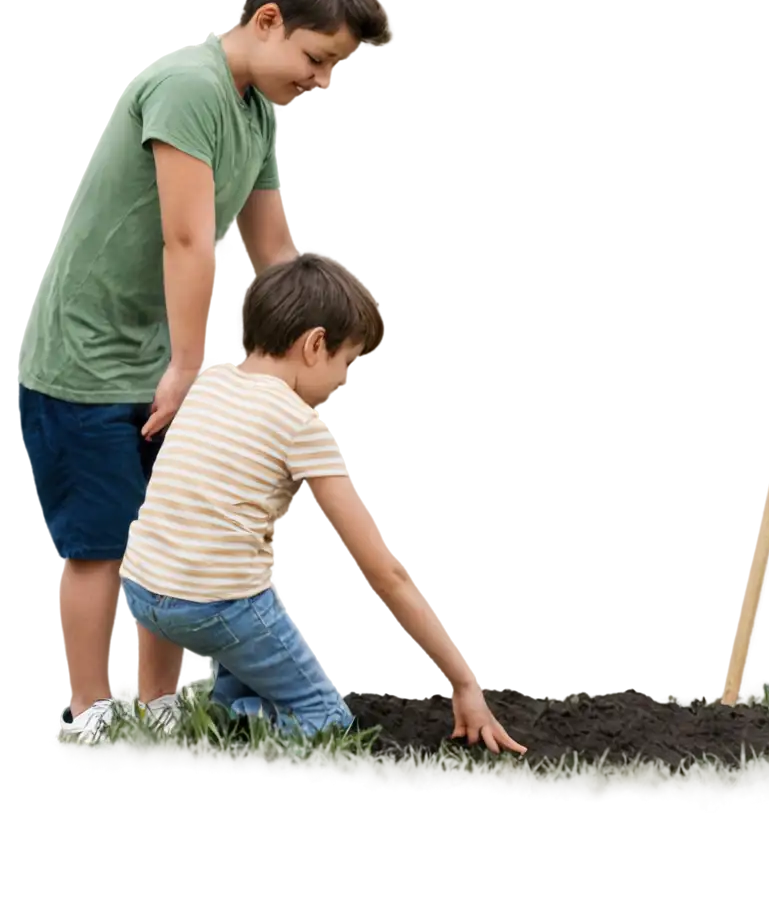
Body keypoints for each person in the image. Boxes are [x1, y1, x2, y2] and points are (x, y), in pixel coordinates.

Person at [15, 0, 391, 743]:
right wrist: (192, 367)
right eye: (317, 58)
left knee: (165, 535)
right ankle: (88, 713)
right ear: (266, 21)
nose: (323, 81)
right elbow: (186, 243)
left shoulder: (255, 113)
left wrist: (297, 368)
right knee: (98, 547)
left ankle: (155, 707)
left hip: (154, 359)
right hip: (84, 362)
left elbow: (274, 253)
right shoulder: (188, 87)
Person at [119, 255, 527, 756]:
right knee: (325, 720)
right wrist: (463, 681)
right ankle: (236, 732)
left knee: (249, 616)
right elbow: (385, 574)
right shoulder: (299, 424)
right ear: (315, 345)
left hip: (142, 590)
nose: (345, 380)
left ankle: (224, 708)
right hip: (213, 605)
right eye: (347, 362)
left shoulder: (213, 377)